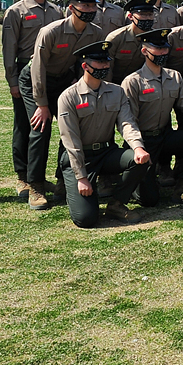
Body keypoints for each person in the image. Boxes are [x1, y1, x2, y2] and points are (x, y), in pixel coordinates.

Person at [22, 0, 107, 210]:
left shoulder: (96, 33)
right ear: (71, 8)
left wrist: (78, 80)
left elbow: (87, 63)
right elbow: (36, 70)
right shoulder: (51, 31)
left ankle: (63, 179)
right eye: (84, 5)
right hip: (36, 80)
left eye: (93, 5)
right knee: (40, 129)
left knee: (72, 127)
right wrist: (42, 105)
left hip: (64, 81)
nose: (90, 9)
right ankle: (36, 186)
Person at [57, 40, 148, 227]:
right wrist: (81, 178)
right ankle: (76, 189)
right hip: (81, 158)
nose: (105, 66)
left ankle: (116, 204)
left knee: (138, 159)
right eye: (99, 62)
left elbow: (126, 123)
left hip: (106, 153)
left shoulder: (117, 92)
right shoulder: (68, 97)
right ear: (85, 66)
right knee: (86, 219)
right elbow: (71, 140)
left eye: (107, 61)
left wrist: (138, 147)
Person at [119, 28, 183, 206]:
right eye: (157, 49)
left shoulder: (174, 77)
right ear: (145, 51)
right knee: (149, 200)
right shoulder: (133, 81)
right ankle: (136, 181)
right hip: (144, 141)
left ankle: (181, 188)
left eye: (165, 48)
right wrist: (138, 147)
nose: (163, 52)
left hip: (165, 136)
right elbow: (128, 120)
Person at [0, 0, 61, 206]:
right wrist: (12, 80)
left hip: (51, 72)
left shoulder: (57, 11)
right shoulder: (16, 11)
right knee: (26, 125)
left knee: (42, 125)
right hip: (25, 72)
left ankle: (40, 177)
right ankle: (24, 176)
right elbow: (8, 49)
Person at [104, 0, 160, 84]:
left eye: (150, 14)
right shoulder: (116, 38)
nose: (148, 18)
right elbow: (106, 68)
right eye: (142, 14)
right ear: (130, 16)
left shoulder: (157, 38)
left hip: (142, 84)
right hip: (115, 84)